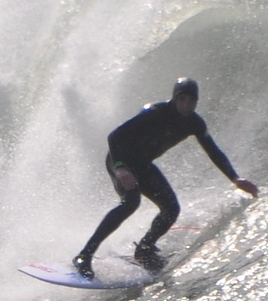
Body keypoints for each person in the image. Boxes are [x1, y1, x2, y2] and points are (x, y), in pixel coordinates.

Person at [73, 77, 258, 279]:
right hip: (121, 161)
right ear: (175, 98)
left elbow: (213, 151)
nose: (187, 105)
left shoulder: (194, 123)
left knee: (171, 209)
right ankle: (84, 255)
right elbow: (114, 137)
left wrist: (235, 178)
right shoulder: (155, 112)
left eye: (191, 101)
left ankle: (144, 249)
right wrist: (120, 169)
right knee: (131, 203)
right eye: (183, 99)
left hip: (143, 166)